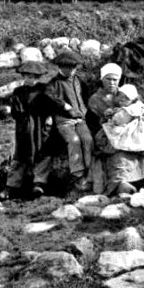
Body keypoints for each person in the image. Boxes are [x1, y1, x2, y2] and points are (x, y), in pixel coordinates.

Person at [87, 64, 144, 196]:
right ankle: (121, 182)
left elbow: (139, 106)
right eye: (108, 79)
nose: (112, 82)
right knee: (118, 151)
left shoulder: (126, 93)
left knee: (142, 143)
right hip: (107, 132)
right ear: (102, 79)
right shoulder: (95, 99)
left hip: (131, 130)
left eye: (115, 79)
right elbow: (105, 120)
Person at [40, 49, 94, 195]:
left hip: (80, 119)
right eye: (67, 67)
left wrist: (84, 111)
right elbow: (49, 96)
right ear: (60, 67)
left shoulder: (78, 80)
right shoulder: (54, 83)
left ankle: (89, 170)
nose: (70, 70)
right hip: (64, 121)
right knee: (74, 140)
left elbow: (86, 95)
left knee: (87, 139)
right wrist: (66, 107)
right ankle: (77, 173)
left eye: (73, 67)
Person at [0, 60, 55, 200]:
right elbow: (15, 112)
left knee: (43, 152)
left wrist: (48, 119)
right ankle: (11, 186)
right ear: (23, 76)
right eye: (28, 76)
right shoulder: (18, 92)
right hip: (24, 127)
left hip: (40, 125)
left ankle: (39, 183)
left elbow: (52, 105)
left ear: (39, 77)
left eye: (34, 77)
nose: (31, 79)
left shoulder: (44, 89)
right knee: (19, 155)